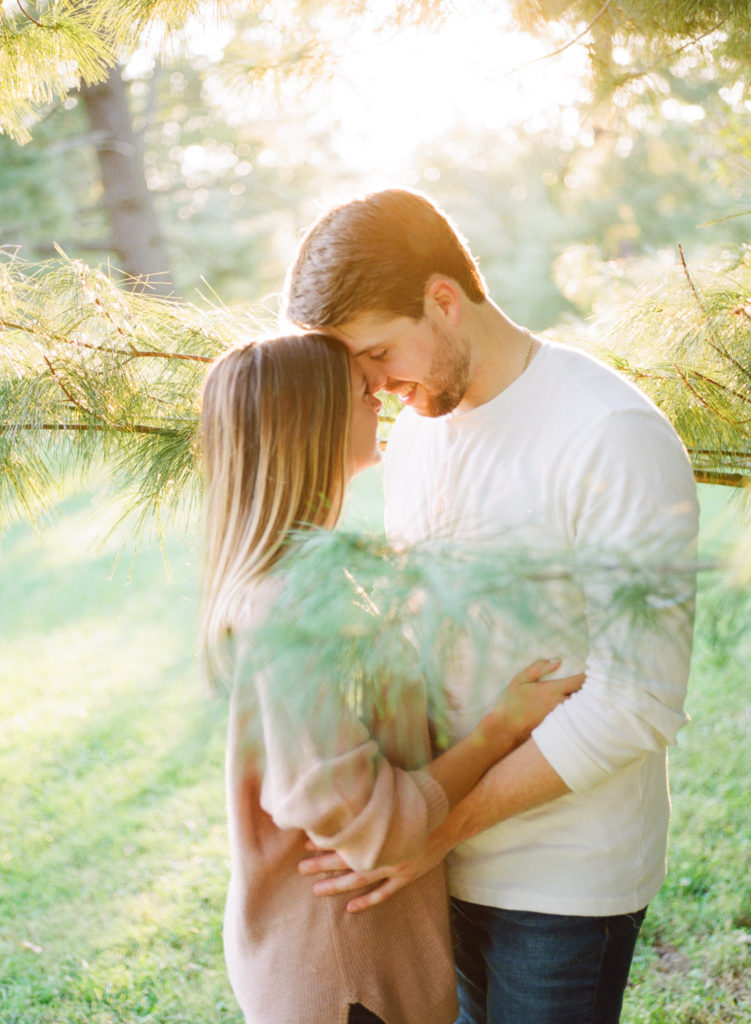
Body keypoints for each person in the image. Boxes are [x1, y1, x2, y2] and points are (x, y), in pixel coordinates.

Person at [284, 189, 701, 1024]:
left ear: (443, 299)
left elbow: (636, 701)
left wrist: (426, 834)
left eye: (377, 352)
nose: (372, 387)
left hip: (563, 884)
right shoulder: (419, 432)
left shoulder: (609, 431)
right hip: (440, 859)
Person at [199, 333, 585, 1024]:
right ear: (308, 425)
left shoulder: (309, 578)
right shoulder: (292, 607)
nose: (381, 401)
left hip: (350, 951)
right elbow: (376, 830)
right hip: (344, 972)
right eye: (360, 392)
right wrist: (499, 728)